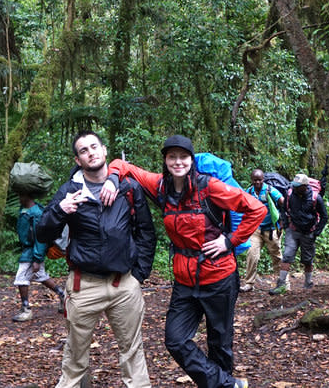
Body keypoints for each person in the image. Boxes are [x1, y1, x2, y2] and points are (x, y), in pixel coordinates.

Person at [107, 134, 266, 388]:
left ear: (192, 160)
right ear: (165, 160)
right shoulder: (160, 186)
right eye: (172, 157)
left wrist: (229, 242)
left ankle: (222, 383)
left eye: (183, 156)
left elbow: (256, 209)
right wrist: (113, 178)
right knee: (175, 340)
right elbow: (121, 165)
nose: (178, 162)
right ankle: (227, 384)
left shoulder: (209, 187)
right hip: (184, 281)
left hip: (219, 278)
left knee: (219, 344)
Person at [36, 130, 157, 388]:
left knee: (132, 351)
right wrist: (60, 210)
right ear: (78, 160)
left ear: (104, 151)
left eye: (94, 147)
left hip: (124, 283)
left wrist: (139, 275)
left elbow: (146, 232)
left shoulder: (128, 188)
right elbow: (42, 232)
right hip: (83, 285)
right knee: (75, 356)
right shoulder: (70, 191)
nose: (90, 153)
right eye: (83, 150)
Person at [269, 173, 328, 294]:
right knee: (287, 256)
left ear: (305, 186)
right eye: (294, 185)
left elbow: (324, 216)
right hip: (293, 230)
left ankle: (308, 283)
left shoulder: (315, 198)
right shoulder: (290, 194)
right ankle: (281, 285)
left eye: (297, 186)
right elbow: (284, 210)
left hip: (308, 232)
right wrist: (285, 225)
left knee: (307, 259)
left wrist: (317, 232)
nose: (294, 188)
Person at [12, 188, 66, 322]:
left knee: (21, 278)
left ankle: (26, 309)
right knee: (40, 276)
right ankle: (63, 296)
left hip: (32, 252)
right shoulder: (24, 210)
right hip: (28, 250)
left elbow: (40, 238)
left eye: (20, 194)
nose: (19, 197)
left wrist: (37, 258)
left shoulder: (36, 213)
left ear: (27, 195)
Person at [239, 169, 284, 292]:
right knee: (252, 255)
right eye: (255, 180)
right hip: (256, 229)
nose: (257, 182)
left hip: (271, 230)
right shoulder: (248, 191)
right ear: (252, 180)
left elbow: (283, 202)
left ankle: (283, 283)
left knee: (277, 257)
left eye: (259, 180)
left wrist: (283, 220)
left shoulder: (270, 190)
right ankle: (249, 283)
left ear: (263, 179)